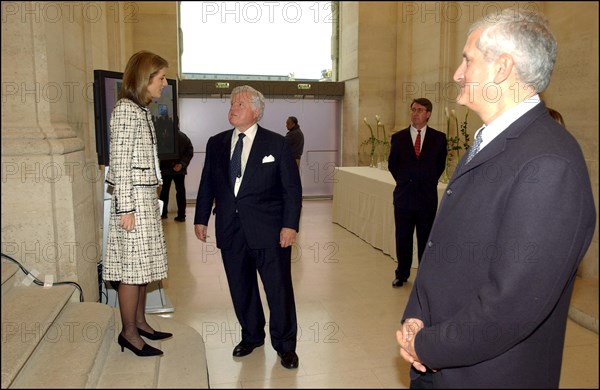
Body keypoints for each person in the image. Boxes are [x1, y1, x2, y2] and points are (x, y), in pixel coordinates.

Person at [397, 9, 596, 388]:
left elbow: (513, 303)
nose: (457, 73)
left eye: (468, 59)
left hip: (487, 374)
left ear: (502, 68)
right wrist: (416, 318)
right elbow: (442, 248)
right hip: (441, 361)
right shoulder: (491, 141)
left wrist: (429, 345)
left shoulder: (549, 163)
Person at [194, 85, 302, 369]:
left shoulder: (277, 144)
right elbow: (207, 183)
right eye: (232, 103)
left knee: (278, 289)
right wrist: (201, 217)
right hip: (231, 228)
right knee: (241, 288)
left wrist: (290, 225)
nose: (233, 108)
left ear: (256, 111)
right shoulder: (216, 143)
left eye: (240, 104)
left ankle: (285, 345)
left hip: (269, 230)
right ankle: (252, 335)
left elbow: (292, 189)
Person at [103, 50, 173, 357]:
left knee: (143, 269)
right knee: (132, 272)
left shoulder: (141, 111)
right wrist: (126, 209)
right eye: (160, 77)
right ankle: (129, 333)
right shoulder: (125, 111)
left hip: (145, 199)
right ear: (145, 78)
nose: (165, 83)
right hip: (134, 203)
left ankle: (141, 322)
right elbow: (119, 162)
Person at [388, 98, 447, 288]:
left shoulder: (439, 138)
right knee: (403, 237)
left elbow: (440, 165)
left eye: (420, 110)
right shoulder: (399, 138)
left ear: (428, 113)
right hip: (404, 197)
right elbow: (393, 165)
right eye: (413, 109)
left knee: (425, 238)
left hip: (426, 198)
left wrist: (425, 181)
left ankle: (424, 275)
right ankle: (402, 273)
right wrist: (406, 181)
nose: (415, 113)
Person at [159, 117, 194, 222]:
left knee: (165, 191)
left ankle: (163, 213)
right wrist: (181, 164)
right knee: (180, 191)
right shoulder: (182, 137)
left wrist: (180, 164)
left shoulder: (163, 136)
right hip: (178, 169)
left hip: (167, 168)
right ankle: (181, 215)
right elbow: (189, 151)